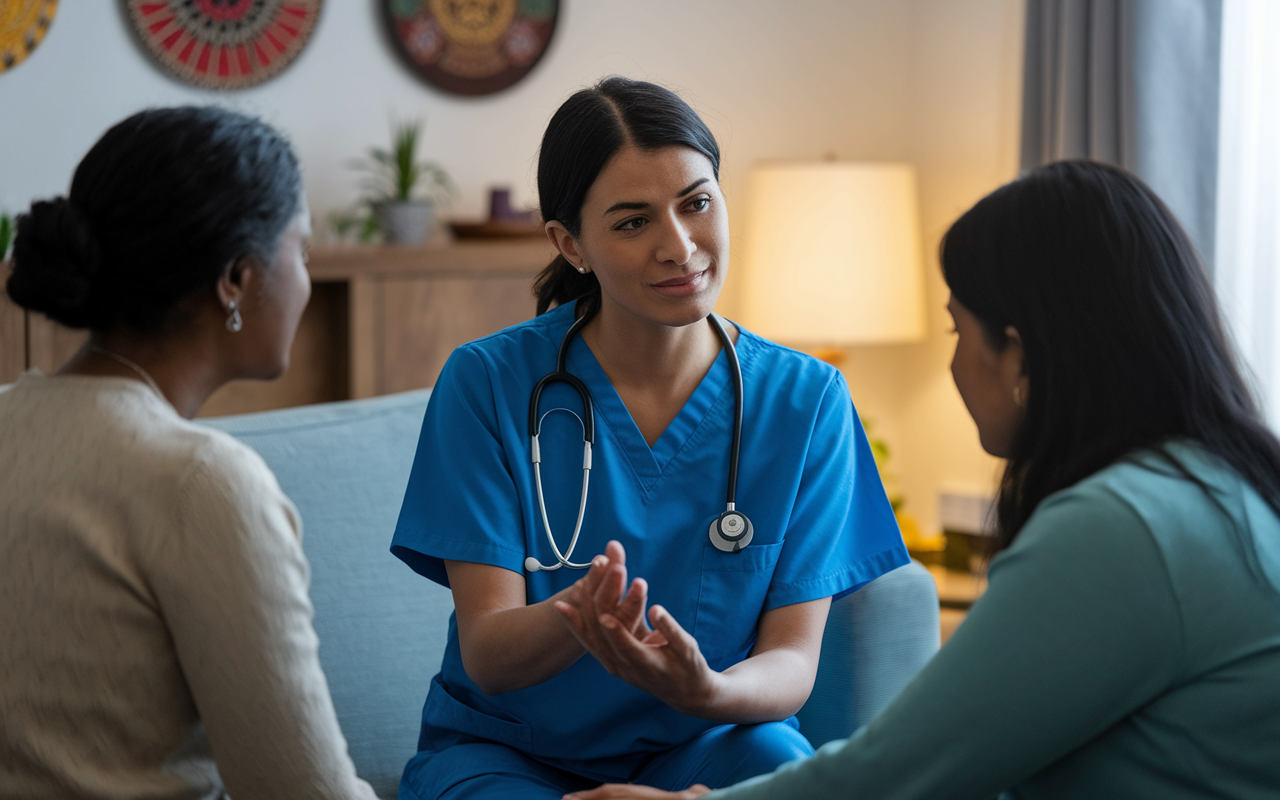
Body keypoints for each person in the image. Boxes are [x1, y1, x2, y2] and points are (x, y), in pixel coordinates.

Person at [564, 159, 1280, 800]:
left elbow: (900, 774)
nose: (956, 361)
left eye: (956, 331)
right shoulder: (1220, 487)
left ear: (1019, 356)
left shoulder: (1120, 530)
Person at [389, 76, 908, 800]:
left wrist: (707, 693)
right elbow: (490, 655)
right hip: (509, 754)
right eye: (633, 222)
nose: (680, 246)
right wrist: (583, 613)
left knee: (786, 777)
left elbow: (792, 662)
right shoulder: (486, 383)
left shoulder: (806, 400)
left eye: (696, 203)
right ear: (570, 244)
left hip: (708, 742)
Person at [0, 106, 377, 800]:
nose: (305, 277)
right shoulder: (201, 483)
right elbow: (299, 792)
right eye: (301, 248)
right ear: (236, 279)